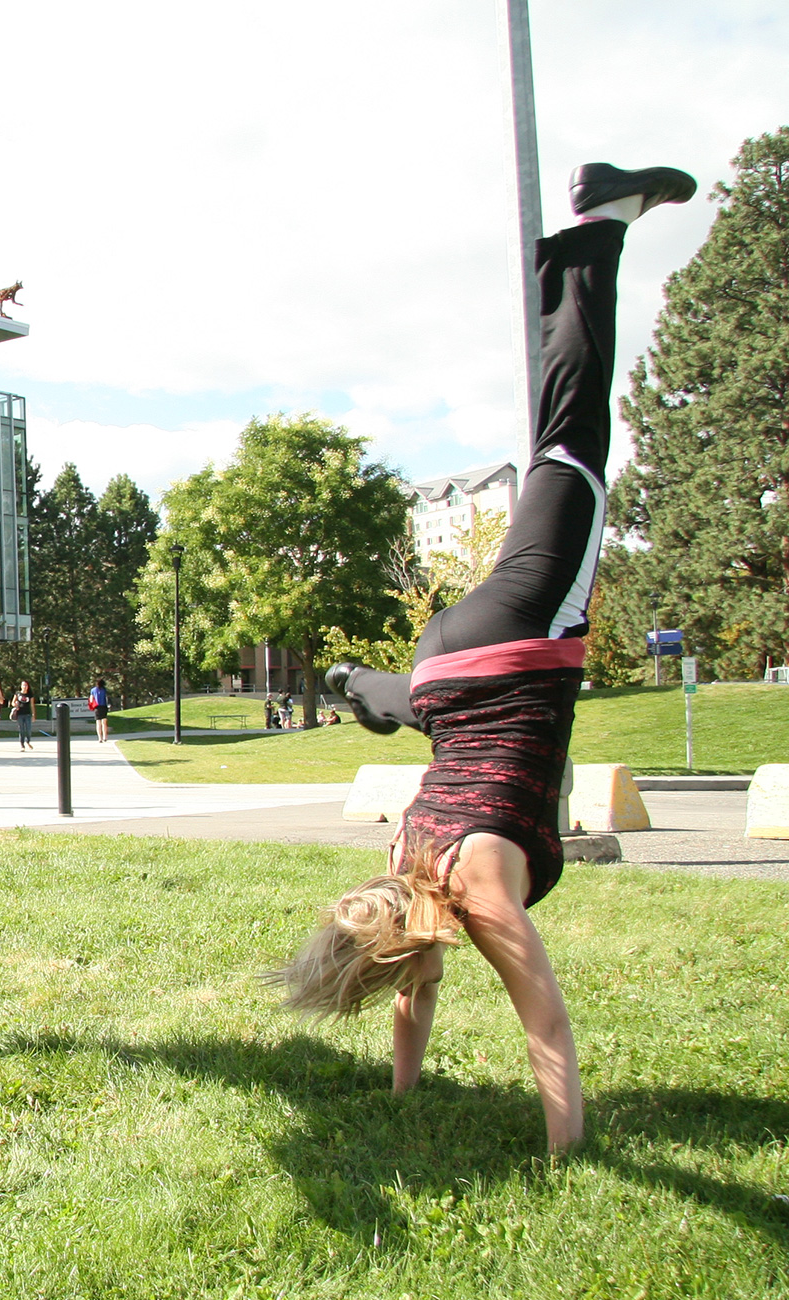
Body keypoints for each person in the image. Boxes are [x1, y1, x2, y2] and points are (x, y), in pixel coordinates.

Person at [272, 162, 696, 1152]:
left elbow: (540, 1020)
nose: (417, 980)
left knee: (571, 453)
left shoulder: (476, 894)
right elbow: (411, 1002)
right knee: (410, 702)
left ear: (405, 939)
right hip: (441, 675)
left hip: (509, 651)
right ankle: (354, 689)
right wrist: (401, 1093)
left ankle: (594, 231)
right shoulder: (399, 865)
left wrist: (566, 1151)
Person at [10, 680, 36, 750]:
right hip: (19, 714)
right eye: (23, 685)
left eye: (26, 685)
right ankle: (22, 745)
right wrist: (15, 704)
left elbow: (32, 705)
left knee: (28, 729)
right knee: (21, 730)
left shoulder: (30, 695)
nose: (25, 687)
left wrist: (33, 715)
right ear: (21, 686)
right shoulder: (17, 694)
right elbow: (12, 702)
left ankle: (28, 741)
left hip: (27, 714)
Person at [88, 677, 111, 743]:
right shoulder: (104, 690)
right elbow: (107, 698)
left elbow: (91, 700)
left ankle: (99, 738)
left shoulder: (93, 690)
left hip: (97, 707)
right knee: (104, 722)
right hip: (104, 707)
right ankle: (105, 737)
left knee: (98, 723)